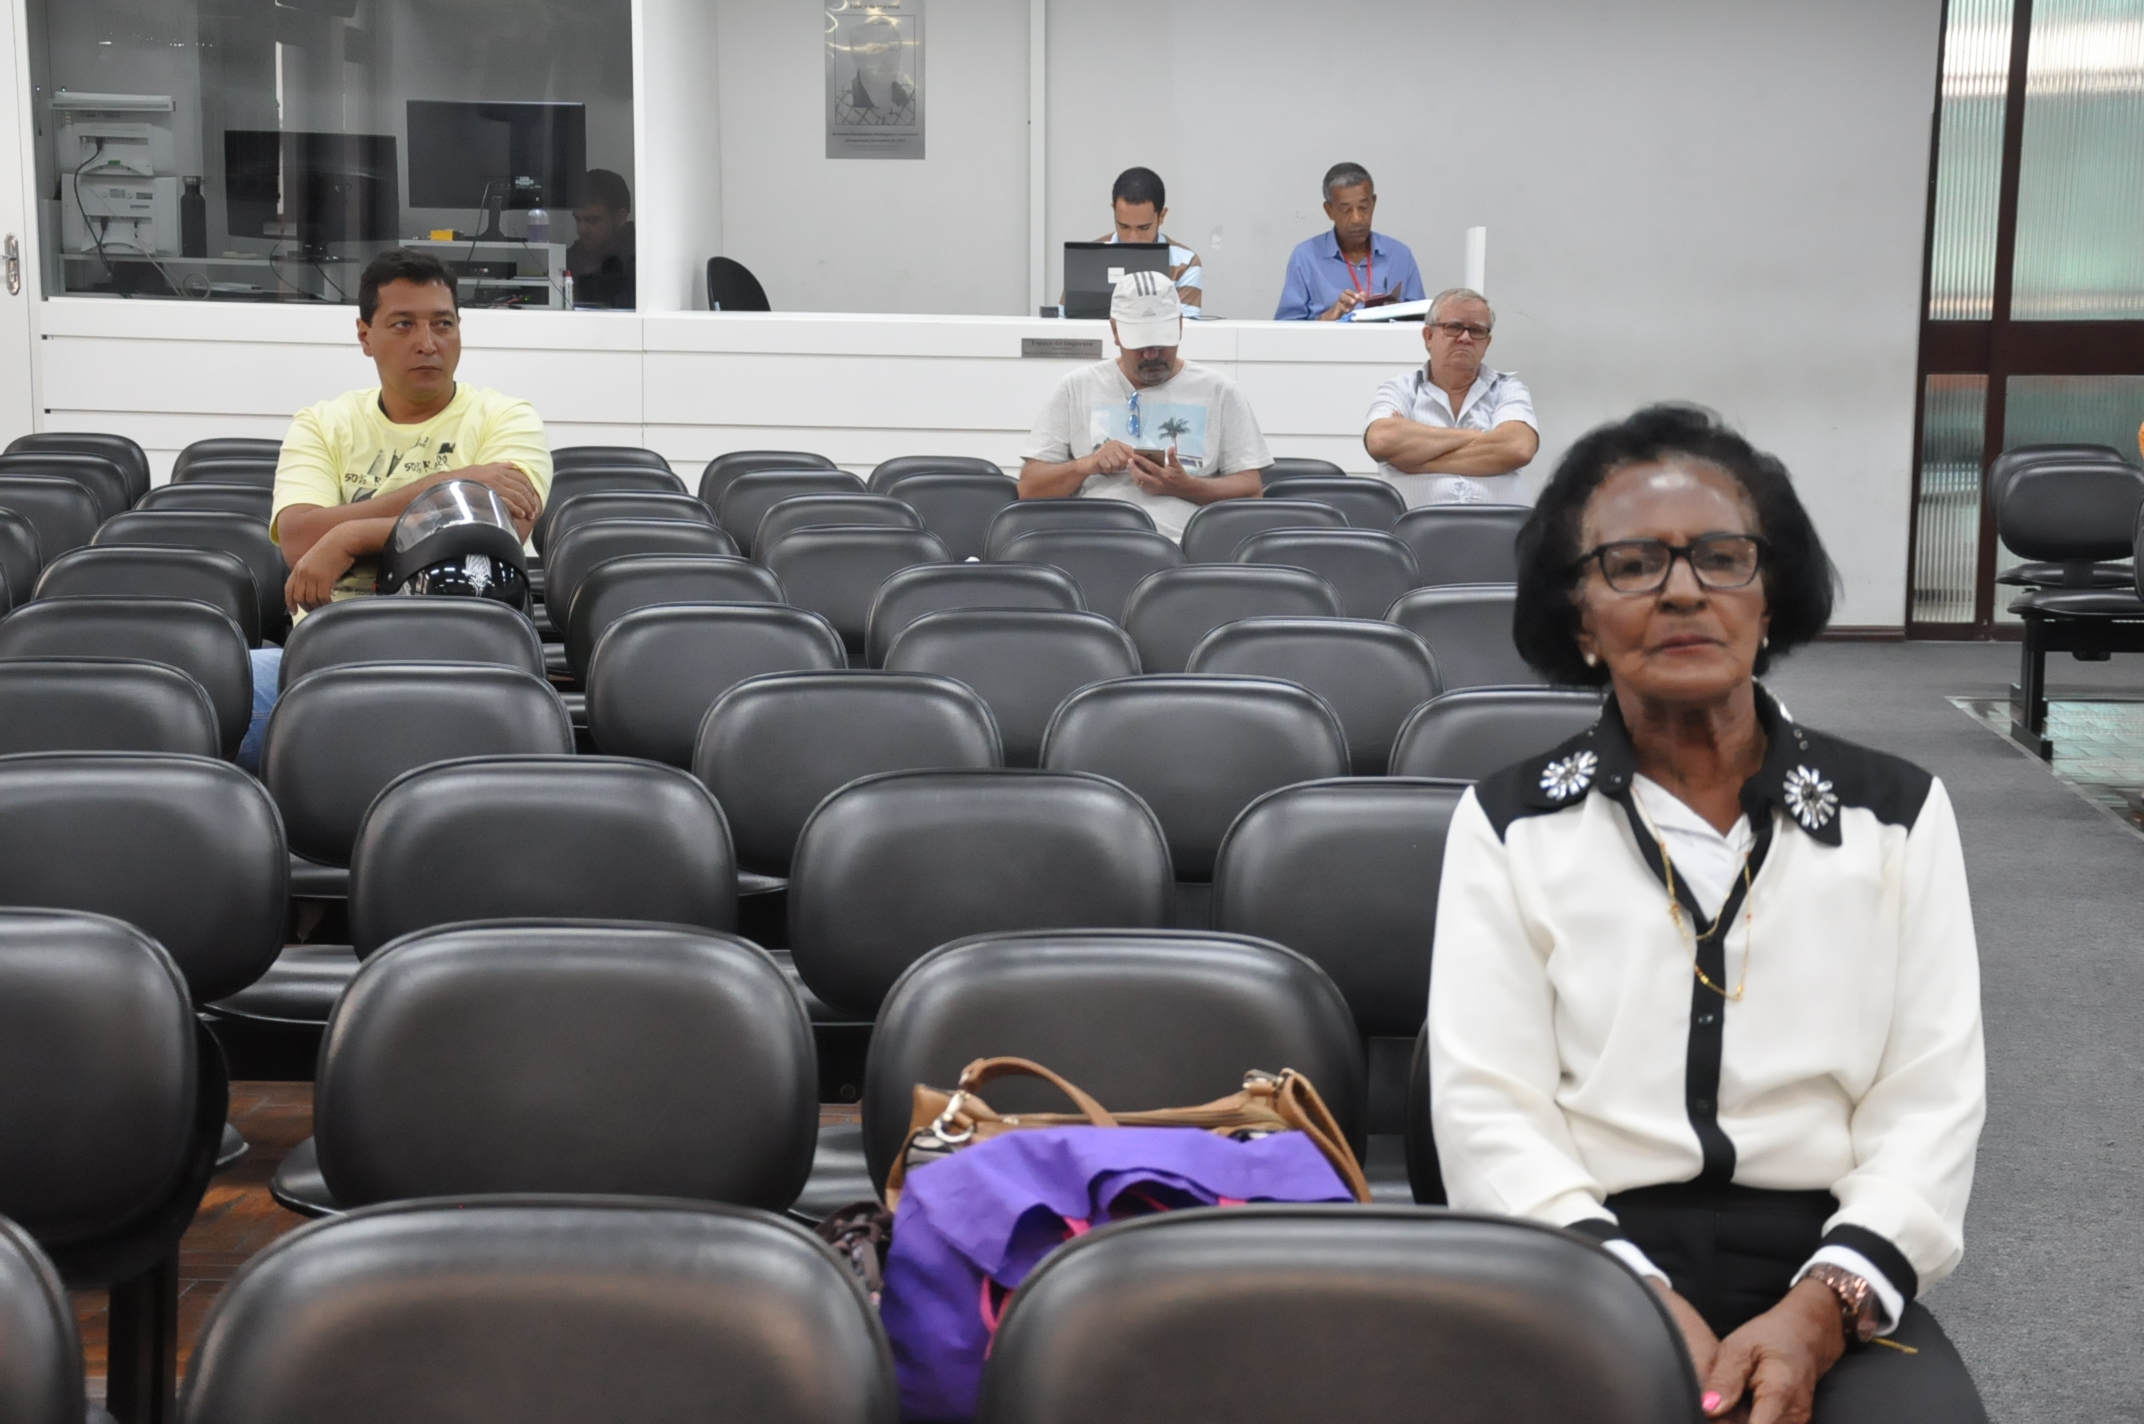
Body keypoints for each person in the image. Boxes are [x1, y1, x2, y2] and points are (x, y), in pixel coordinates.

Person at [1428, 405, 1989, 1424]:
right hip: (1582, 1250)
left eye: (1721, 558)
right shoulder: (1510, 822)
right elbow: (1486, 1110)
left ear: (1769, 600)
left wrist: (1823, 1308)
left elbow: (1930, 1101)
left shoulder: (1895, 813)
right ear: (1579, 621)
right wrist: (1625, 1294)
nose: (1682, 589)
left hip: (1827, 1258)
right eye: (1632, 563)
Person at [241, 247, 552, 767]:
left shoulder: (507, 418)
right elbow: (298, 539)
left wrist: (349, 537)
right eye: (403, 324)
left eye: (443, 324)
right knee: (197, 690)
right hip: (332, 655)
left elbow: (491, 532)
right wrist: (449, 483)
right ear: (365, 335)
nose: (427, 342)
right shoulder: (323, 423)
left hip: (466, 657)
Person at [1019, 270, 1269, 540]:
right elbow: (1030, 488)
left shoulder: (1220, 391)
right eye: (1140, 345)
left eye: (1162, 343)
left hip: (1182, 547)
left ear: (1180, 326)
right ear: (1115, 331)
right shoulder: (1076, 387)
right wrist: (1086, 465)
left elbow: (1251, 491)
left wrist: (1184, 486)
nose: (1152, 354)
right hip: (1094, 541)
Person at [1361, 287, 1538, 506]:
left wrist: (1417, 461)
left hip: (1499, 525)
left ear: (1487, 343)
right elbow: (1382, 440)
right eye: (1453, 327)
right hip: (1416, 526)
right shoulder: (1400, 389)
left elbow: (1518, 448)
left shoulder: (1508, 389)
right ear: (1429, 336)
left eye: (1477, 330)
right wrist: (1477, 436)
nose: (1465, 338)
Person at [1273, 163, 1424, 321]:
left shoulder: (1400, 255)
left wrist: (1398, 315)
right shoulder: (1305, 257)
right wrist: (1327, 319)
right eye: (1346, 210)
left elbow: (1423, 324)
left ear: (1373, 203)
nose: (1356, 219)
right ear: (1329, 210)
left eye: (1363, 207)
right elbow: (1284, 329)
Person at [1088, 167, 1204, 316]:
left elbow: (1185, 327)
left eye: (1143, 228)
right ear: (1114, 211)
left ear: (1161, 216)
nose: (1133, 239)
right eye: (1124, 227)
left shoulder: (1185, 263)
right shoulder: (1090, 257)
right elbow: (1066, 322)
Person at [567, 168, 637, 309]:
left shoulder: (641, 262)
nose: (582, 229)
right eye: (577, 219)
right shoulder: (567, 260)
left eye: (593, 220)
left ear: (620, 217)